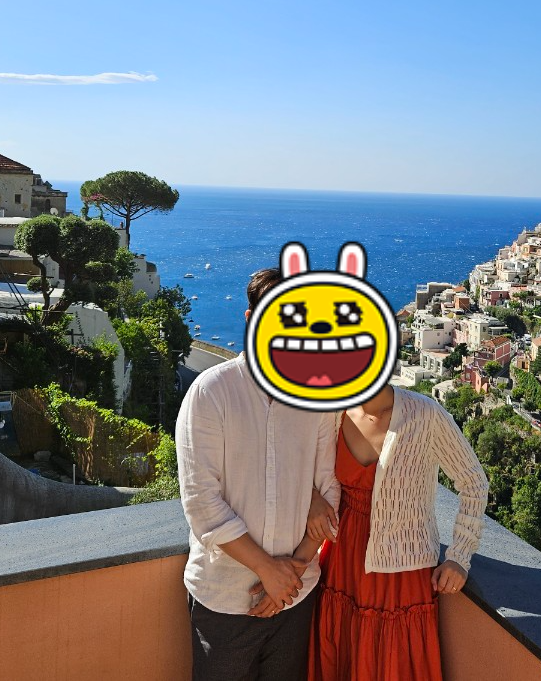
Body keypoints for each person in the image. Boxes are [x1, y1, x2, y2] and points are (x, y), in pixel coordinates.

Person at [176, 268, 341, 681]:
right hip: (224, 599)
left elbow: (330, 491)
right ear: (251, 318)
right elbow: (201, 502)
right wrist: (269, 571)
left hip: (296, 598)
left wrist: (291, 574)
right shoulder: (212, 391)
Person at [292, 382, 489, 681]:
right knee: (343, 651)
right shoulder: (333, 412)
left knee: (391, 660)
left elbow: (474, 483)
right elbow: (300, 465)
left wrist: (459, 556)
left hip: (401, 569)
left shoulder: (425, 414)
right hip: (342, 558)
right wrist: (312, 497)